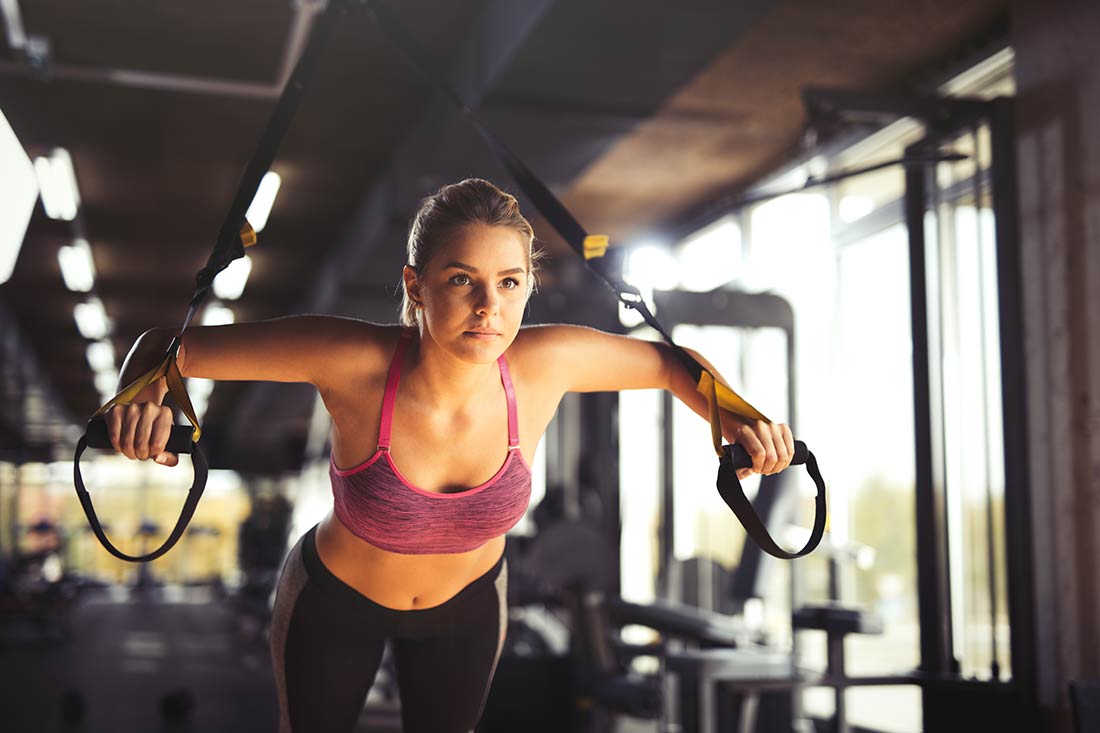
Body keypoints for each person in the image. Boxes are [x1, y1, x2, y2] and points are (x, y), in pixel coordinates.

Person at [106, 178, 795, 733]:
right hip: (336, 604)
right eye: (462, 279)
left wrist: (746, 420)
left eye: (509, 282)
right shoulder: (352, 360)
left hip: (466, 610)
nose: (488, 306)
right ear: (416, 285)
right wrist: (139, 401)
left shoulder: (544, 364)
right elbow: (172, 347)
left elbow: (677, 366)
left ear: (528, 284)